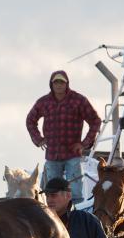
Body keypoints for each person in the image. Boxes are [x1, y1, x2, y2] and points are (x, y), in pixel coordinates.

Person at [26, 70, 101, 204]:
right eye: (56, 82)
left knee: (75, 193)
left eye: (62, 82)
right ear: (51, 84)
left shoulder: (78, 100)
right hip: (52, 154)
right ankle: (54, 217)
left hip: (73, 153)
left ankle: (76, 214)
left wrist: (84, 143)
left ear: (67, 84)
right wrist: (38, 139)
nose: (59, 85)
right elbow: (30, 120)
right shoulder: (44, 102)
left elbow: (95, 120)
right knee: (52, 192)